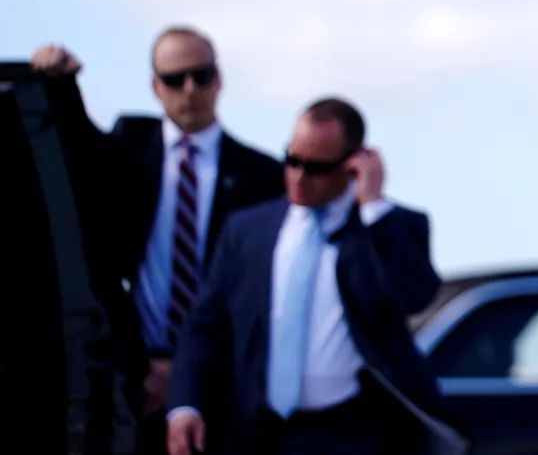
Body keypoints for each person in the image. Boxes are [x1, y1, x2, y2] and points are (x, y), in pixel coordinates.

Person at [31, 28, 285, 454]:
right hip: (134, 381)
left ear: (219, 79)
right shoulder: (131, 145)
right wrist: (59, 80)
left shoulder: (261, 176)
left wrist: (188, 375)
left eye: (201, 76)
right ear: (155, 87)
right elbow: (76, 150)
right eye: (175, 79)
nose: (190, 90)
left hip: (219, 390)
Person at [166, 97, 465, 455]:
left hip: (354, 433)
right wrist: (185, 406)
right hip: (256, 432)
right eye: (292, 160)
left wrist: (373, 207)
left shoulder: (389, 226)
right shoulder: (247, 230)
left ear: (353, 165)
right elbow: (205, 325)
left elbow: (414, 295)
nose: (299, 177)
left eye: (317, 168)